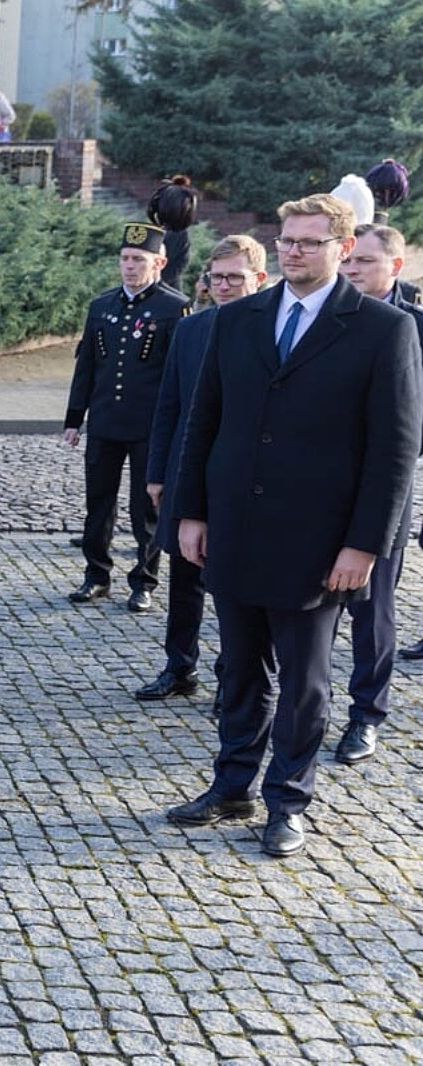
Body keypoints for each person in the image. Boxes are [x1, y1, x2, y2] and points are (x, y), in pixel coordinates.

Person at [167, 194, 421, 858]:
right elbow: (203, 422)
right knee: (238, 672)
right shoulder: (237, 319)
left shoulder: (382, 329)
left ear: (343, 247)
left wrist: (365, 545)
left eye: (310, 242)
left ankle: (288, 801)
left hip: (319, 541)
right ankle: (231, 787)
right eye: (287, 240)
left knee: (304, 684)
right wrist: (191, 512)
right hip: (234, 527)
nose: (294, 252)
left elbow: (394, 451)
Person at [135, 235, 268, 704]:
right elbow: (168, 404)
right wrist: (157, 472)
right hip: (187, 470)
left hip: (243, 477)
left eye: (235, 277)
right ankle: (179, 667)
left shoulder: (270, 330)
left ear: (259, 279)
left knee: (238, 585)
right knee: (183, 576)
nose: (223, 286)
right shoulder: (191, 329)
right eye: (216, 277)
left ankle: (235, 677)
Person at [63, 222, 190, 612]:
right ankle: (96, 575)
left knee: (145, 507)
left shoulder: (174, 307)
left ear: (159, 263)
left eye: (138, 259)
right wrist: (74, 419)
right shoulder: (102, 306)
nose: (130, 266)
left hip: (149, 426)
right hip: (105, 421)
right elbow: (87, 365)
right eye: (125, 258)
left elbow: (179, 373)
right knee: (98, 503)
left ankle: (144, 580)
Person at [334, 223, 423, 762]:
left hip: (384, 484)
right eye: (349, 260)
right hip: (319, 483)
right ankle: (299, 706)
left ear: (396, 267)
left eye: (365, 261)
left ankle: (367, 714)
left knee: (372, 607)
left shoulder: (414, 326)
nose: (352, 269)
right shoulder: (325, 317)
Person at [147, 176, 199, 290]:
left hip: (167, 286)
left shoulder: (180, 234)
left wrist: (158, 279)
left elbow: (180, 264)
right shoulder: (153, 231)